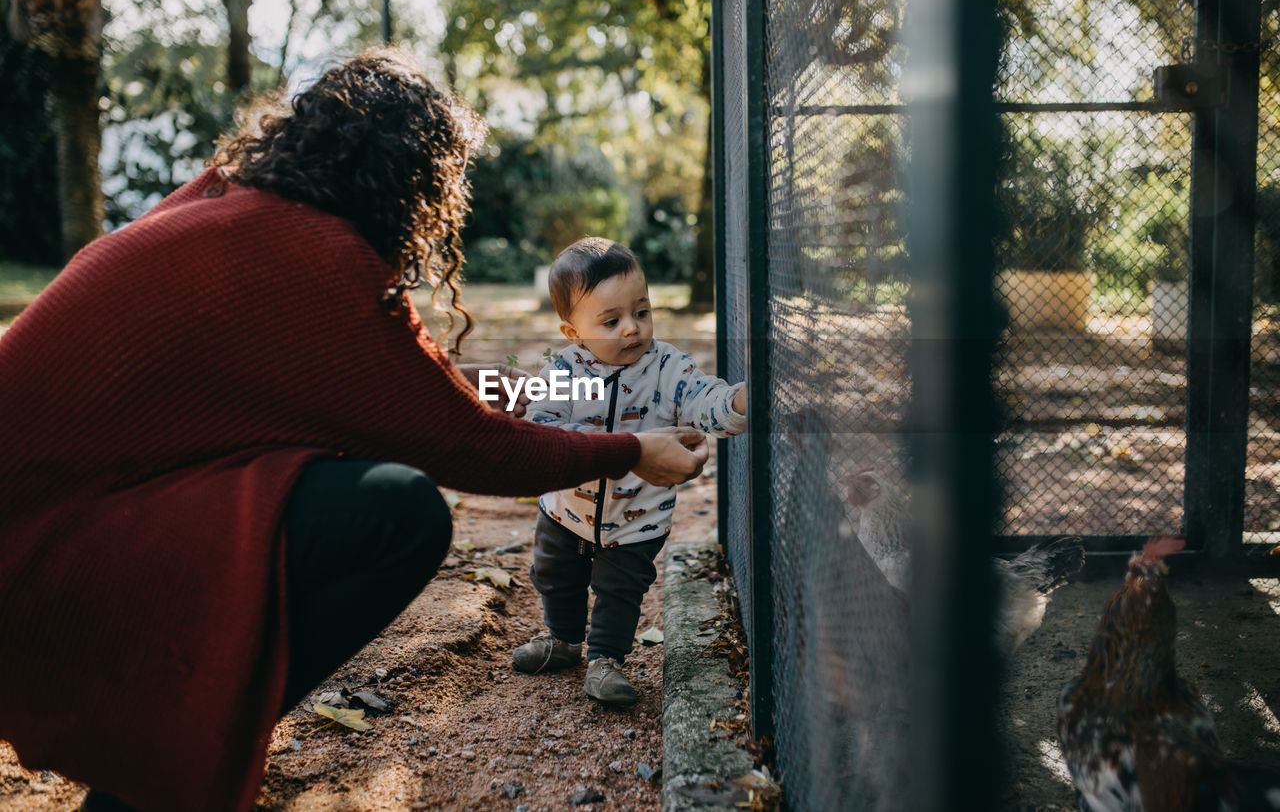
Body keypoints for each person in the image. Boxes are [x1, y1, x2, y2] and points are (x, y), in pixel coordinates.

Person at [0, 48, 708, 812]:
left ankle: (153, 769)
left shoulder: (220, 201)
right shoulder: (317, 257)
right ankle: (160, 779)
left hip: (48, 511)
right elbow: (462, 443)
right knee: (396, 513)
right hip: (36, 554)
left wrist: (539, 399)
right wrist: (632, 449)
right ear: (414, 178)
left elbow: (416, 390)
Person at [507, 238, 746, 705]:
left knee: (620, 588)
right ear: (573, 332)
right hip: (564, 507)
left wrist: (738, 401)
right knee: (555, 574)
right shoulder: (562, 369)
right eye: (611, 321)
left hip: (638, 515)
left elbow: (705, 400)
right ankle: (563, 640)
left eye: (642, 312)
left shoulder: (668, 367)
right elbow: (543, 425)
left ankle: (605, 659)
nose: (632, 330)